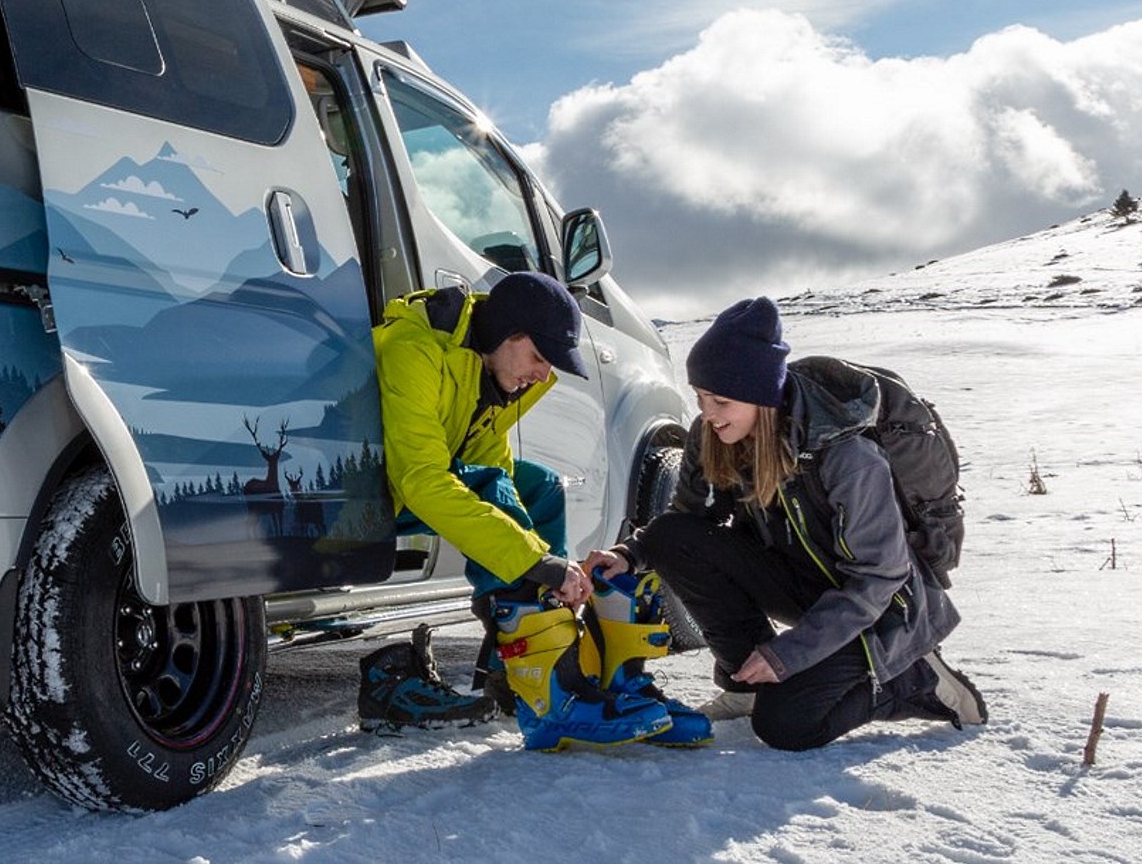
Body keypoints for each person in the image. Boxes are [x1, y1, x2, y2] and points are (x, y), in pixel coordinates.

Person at [586, 297, 988, 751]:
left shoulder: (849, 459)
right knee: (670, 537)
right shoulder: (714, 435)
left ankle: (911, 682)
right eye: (700, 396)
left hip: (881, 610)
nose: (708, 412)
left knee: (787, 726)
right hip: (806, 586)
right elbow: (684, 522)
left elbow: (879, 578)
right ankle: (745, 684)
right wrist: (630, 554)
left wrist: (789, 655)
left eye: (721, 399)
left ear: (763, 396)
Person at [356, 271, 705, 750]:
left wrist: (550, 570)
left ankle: (534, 663)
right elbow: (421, 479)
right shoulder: (414, 350)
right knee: (496, 492)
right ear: (508, 335)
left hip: (415, 483)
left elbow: (493, 470)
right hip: (370, 491)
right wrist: (539, 564)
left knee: (539, 486)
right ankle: (552, 697)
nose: (544, 375)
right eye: (540, 357)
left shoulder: (491, 375)